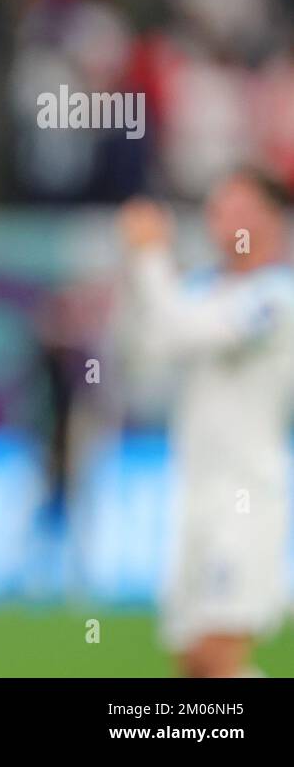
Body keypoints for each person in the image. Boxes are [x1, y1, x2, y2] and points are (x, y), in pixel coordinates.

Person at [119, 170, 294, 677]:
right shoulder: (198, 288)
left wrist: (152, 255)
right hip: (193, 495)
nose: (225, 221)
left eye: (239, 208)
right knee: (194, 664)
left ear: (270, 218)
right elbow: (143, 354)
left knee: (220, 657)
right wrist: (136, 266)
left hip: (248, 499)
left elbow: (182, 330)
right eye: (218, 209)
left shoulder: (276, 296)